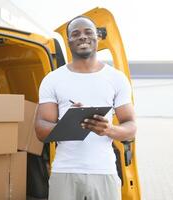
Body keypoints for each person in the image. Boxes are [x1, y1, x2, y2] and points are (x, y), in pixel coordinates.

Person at [35, 15, 137, 200]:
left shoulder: (116, 78)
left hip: (104, 171)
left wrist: (109, 129)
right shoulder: (53, 79)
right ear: (69, 41)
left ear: (97, 37)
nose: (82, 36)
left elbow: (131, 128)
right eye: (76, 33)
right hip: (65, 171)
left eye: (88, 32)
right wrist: (71, 124)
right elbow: (40, 130)